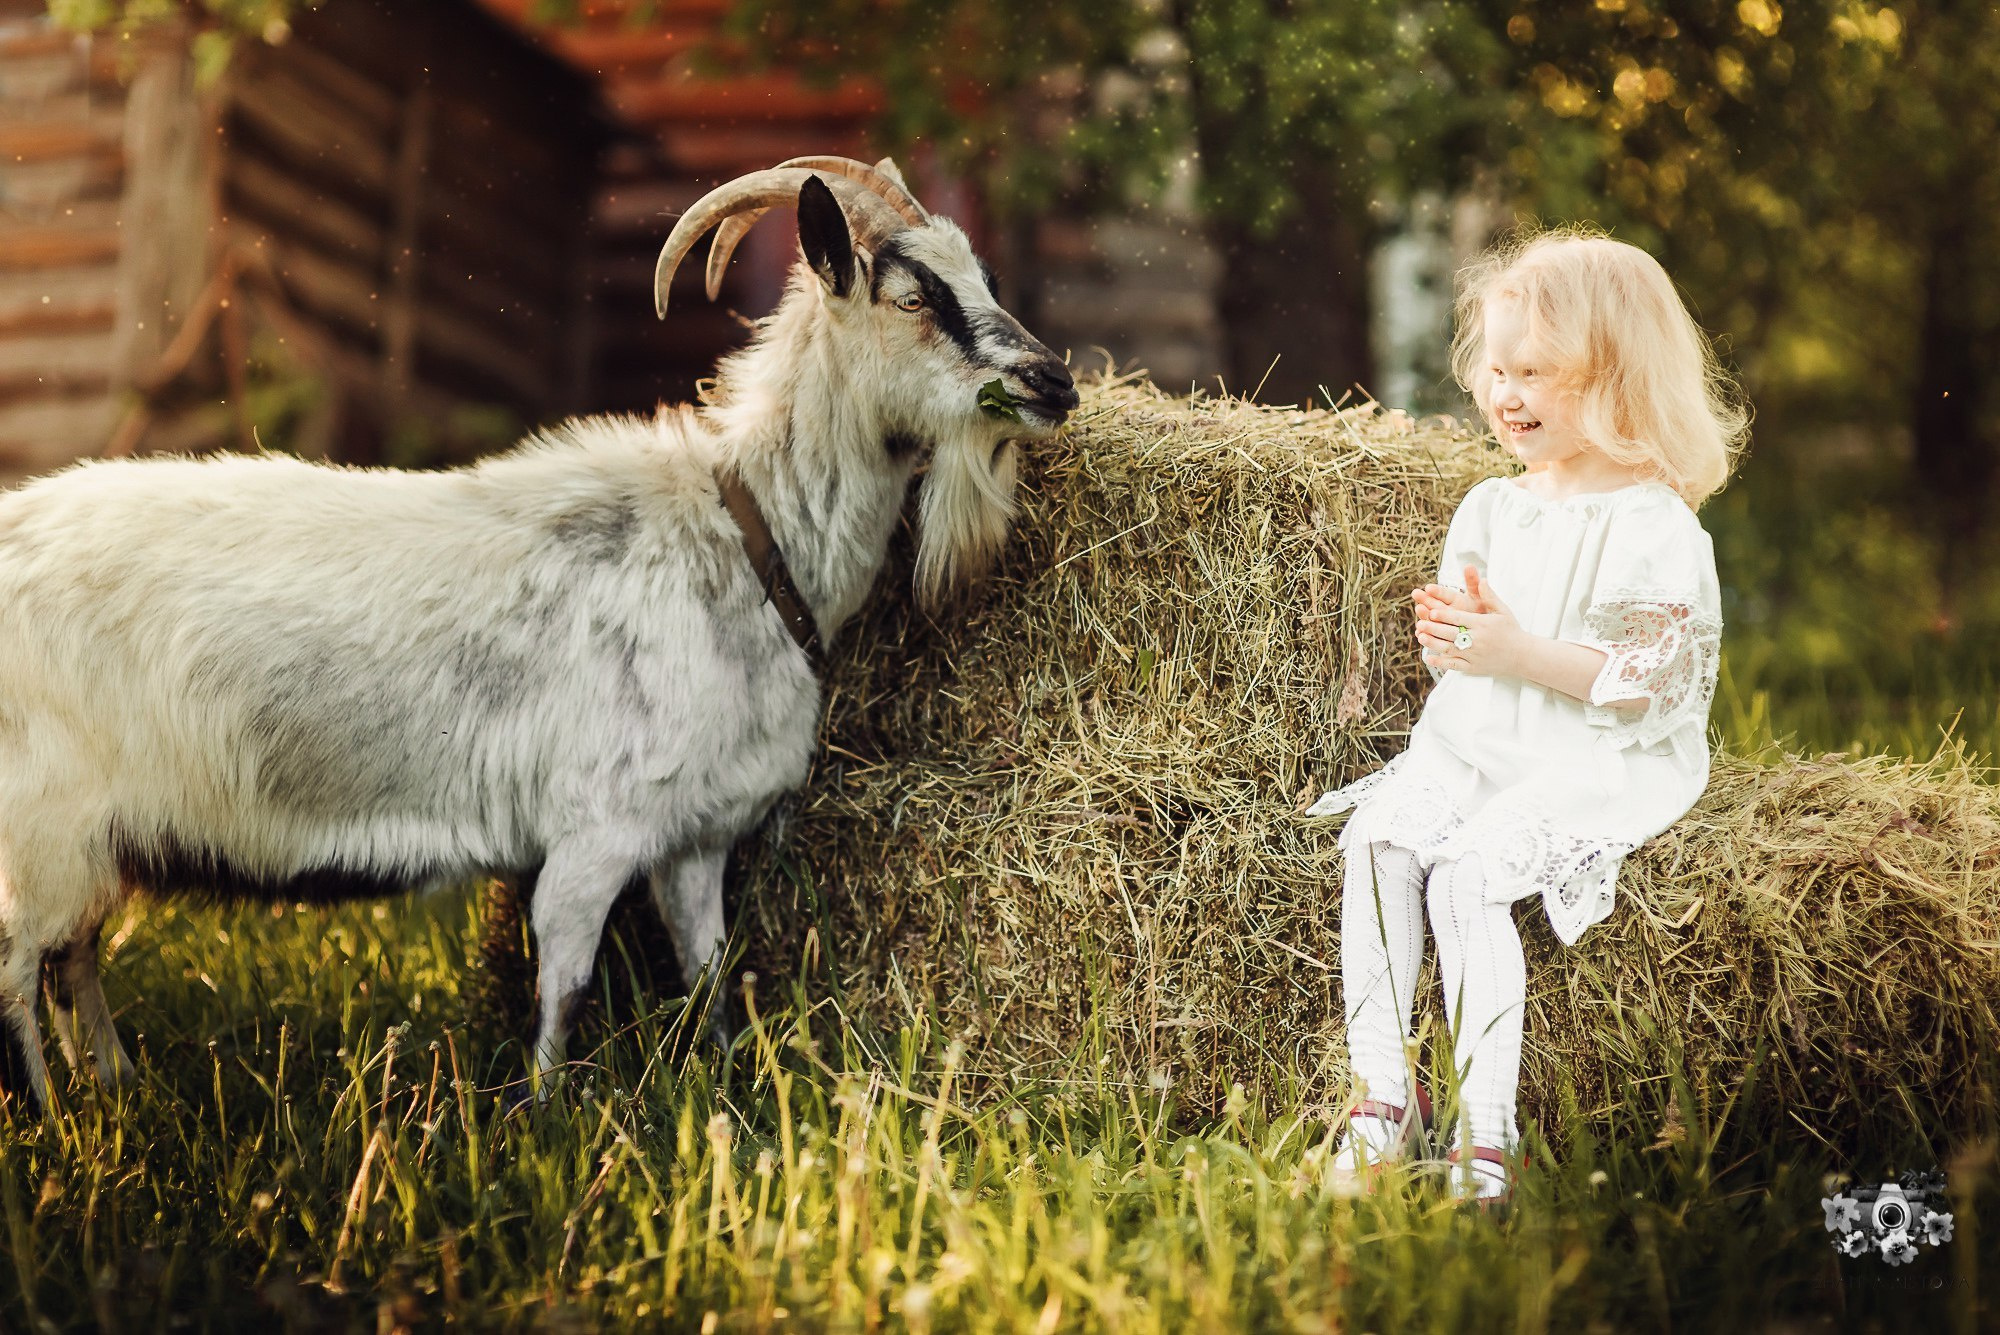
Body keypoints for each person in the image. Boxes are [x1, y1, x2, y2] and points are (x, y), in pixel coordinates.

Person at [1307, 228, 1746, 1204]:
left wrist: (1513, 653)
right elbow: (1474, 650)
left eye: (1536, 374)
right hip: (1481, 739)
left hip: (1588, 755)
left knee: (1465, 880)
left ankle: (1484, 1135)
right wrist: (1454, 643)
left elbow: (1646, 683)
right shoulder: (1492, 508)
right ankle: (1382, 1099)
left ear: (1616, 380)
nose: (1504, 395)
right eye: (1495, 371)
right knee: (1378, 847)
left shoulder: (1651, 525)